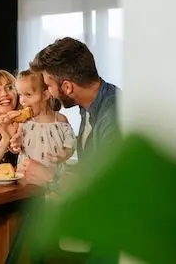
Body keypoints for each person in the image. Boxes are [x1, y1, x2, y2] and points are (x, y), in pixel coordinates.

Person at [13, 37, 120, 185]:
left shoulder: (113, 116)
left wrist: (51, 177)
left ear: (67, 87)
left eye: (49, 86)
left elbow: (109, 188)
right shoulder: (89, 107)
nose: (49, 92)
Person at [13, 69, 76, 169]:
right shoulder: (24, 122)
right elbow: (17, 147)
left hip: (54, 179)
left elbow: (70, 144)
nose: (22, 101)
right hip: (25, 178)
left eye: (28, 94)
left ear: (45, 95)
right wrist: (16, 145)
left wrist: (63, 155)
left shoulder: (61, 120)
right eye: (20, 95)